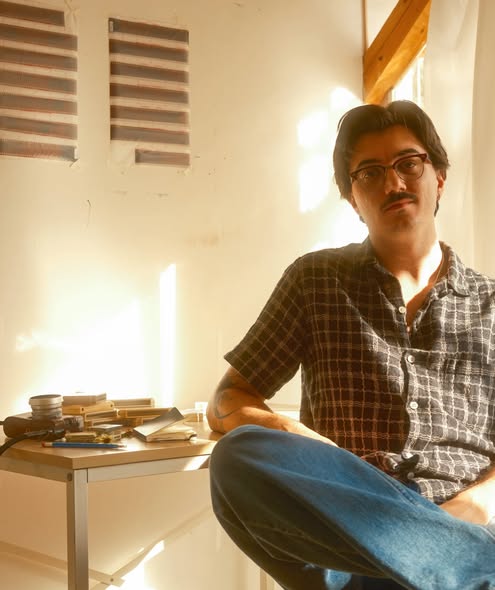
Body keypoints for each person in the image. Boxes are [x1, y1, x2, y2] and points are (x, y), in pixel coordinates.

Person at [206, 100, 495, 590]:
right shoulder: (315, 280)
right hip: (347, 529)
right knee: (237, 457)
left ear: (439, 178)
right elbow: (227, 399)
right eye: (370, 173)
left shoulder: (491, 304)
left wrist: (478, 503)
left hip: (465, 521)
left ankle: (449, 564)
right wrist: (294, 434)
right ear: (352, 198)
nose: (393, 182)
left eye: (408, 163)